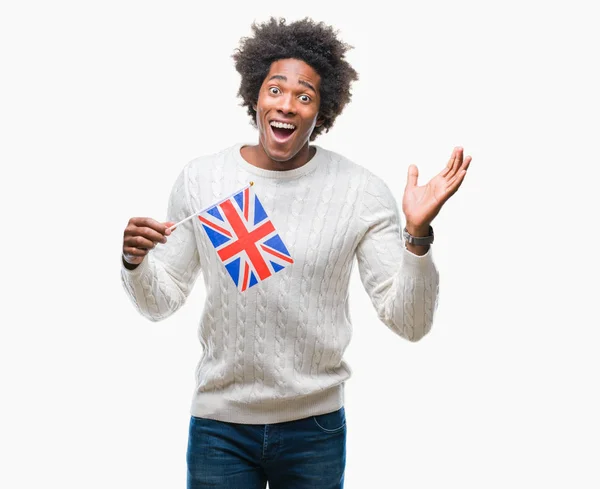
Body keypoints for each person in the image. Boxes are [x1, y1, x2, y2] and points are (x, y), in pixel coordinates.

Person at [121, 16, 471, 489]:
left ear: (321, 111)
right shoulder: (203, 180)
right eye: (275, 89)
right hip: (220, 429)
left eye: (304, 96)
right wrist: (136, 263)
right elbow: (160, 303)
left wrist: (417, 233)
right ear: (255, 94)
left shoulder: (359, 192)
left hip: (316, 430)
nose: (286, 105)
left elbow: (409, 323)